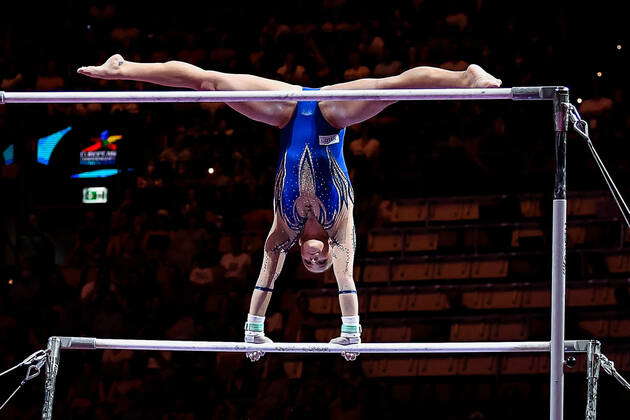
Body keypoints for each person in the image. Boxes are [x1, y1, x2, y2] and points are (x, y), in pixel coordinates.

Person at [78, 53, 501, 360]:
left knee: (210, 82)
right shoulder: (341, 229)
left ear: (301, 254)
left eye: (311, 267)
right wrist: (351, 331)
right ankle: (465, 77)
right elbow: (347, 279)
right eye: (324, 266)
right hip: (333, 113)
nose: (319, 264)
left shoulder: (283, 231)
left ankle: (124, 69)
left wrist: (254, 331)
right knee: (393, 88)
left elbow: (266, 281)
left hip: (284, 110)